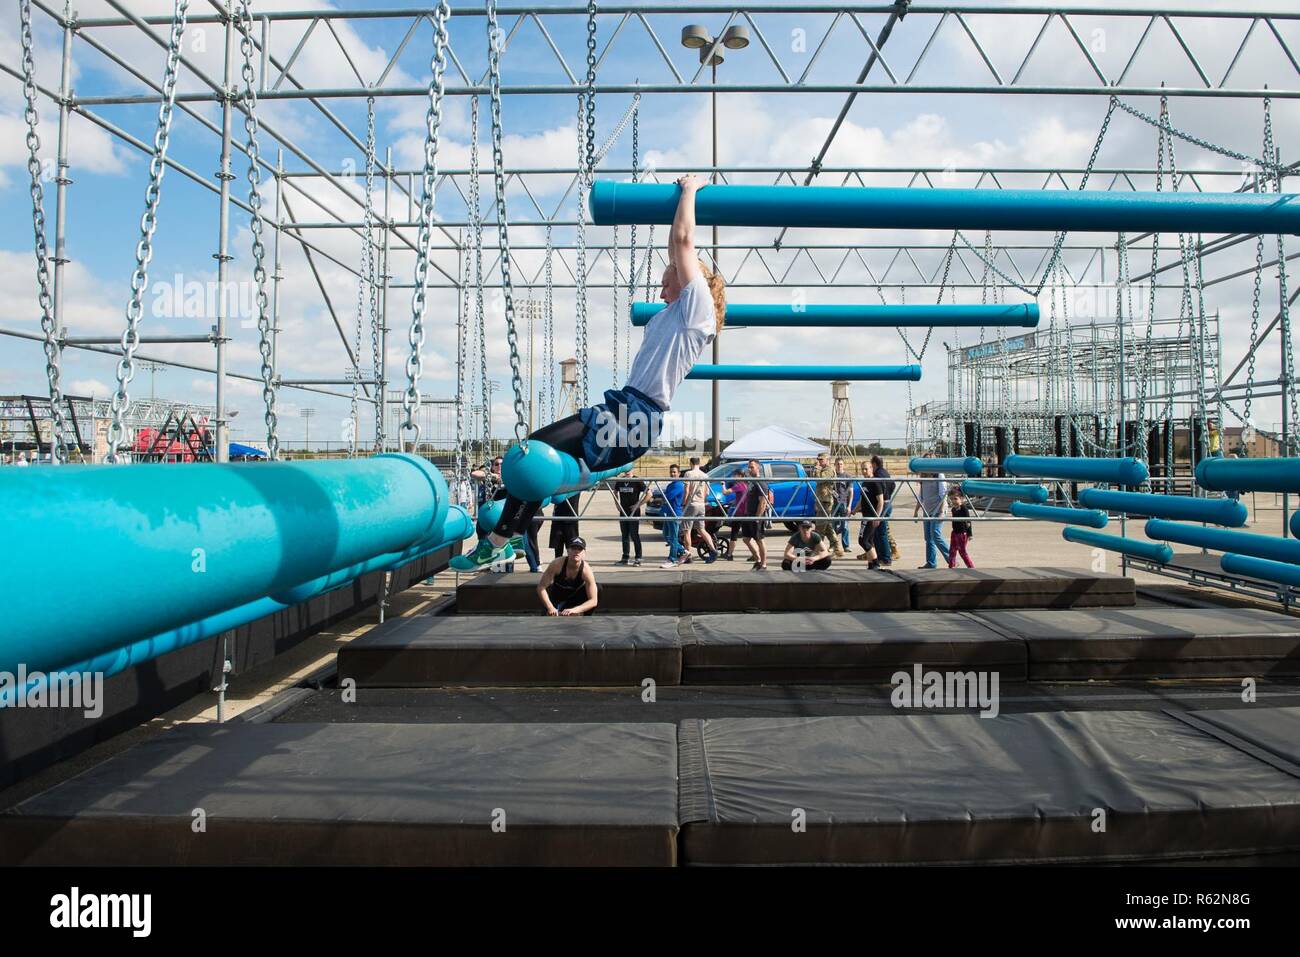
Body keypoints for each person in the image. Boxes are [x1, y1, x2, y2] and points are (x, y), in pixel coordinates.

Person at [454, 174, 726, 570]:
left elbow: (683, 242)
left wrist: (688, 191)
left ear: (690, 279)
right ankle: (503, 540)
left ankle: (500, 540)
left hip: (635, 414)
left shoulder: (695, 311)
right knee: (534, 457)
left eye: (672, 271)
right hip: (626, 410)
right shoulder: (674, 314)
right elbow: (675, 244)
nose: (664, 275)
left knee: (531, 451)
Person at [538, 536, 598, 616]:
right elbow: (541, 587)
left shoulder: (586, 570)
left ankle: (584, 615)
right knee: (549, 614)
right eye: (573, 548)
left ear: (584, 553)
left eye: (579, 549)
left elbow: (593, 600)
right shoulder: (557, 564)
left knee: (598, 588)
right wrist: (550, 607)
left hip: (574, 599)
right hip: (557, 597)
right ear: (568, 550)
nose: (576, 552)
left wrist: (577, 609)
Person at [681, 455, 719, 563]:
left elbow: (687, 490)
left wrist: (684, 503)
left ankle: (688, 556)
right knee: (701, 529)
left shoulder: (688, 474)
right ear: (699, 463)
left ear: (691, 463)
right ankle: (713, 549)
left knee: (687, 530)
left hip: (691, 504)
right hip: (701, 504)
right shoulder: (705, 475)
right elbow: (707, 492)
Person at [913, 462, 950, 569]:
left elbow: (943, 494)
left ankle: (951, 559)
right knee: (928, 538)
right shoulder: (923, 476)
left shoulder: (939, 475)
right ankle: (931, 563)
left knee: (935, 535)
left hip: (938, 510)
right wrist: (916, 511)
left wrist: (942, 512)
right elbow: (921, 496)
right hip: (927, 510)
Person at [811, 451, 844, 559]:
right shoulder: (822, 470)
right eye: (818, 459)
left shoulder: (829, 470)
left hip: (826, 502)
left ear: (827, 460)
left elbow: (819, 480)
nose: (819, 461)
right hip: (821, 501)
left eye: (821, 459)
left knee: (820, 527)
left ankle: (817, 550)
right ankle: (838, 548)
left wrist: (816, 469)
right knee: (828, 527)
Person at [612, 469, 648, 565]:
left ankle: (638, 558)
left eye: (629, 469)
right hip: (623, 512)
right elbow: (615, 492)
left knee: (634, 535)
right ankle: (625, 558)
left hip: (633, 513)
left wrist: (638, 504)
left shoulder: (637, 481)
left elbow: (649, 494)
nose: (627, 471)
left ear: (633, 469)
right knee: (624, 535)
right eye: (626, 469)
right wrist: (617, 504)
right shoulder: (620, 481)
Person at [739, 459, 770, 570]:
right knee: (746, 539)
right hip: (748, 514)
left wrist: (757, 517)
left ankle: (764, 564)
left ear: (758, 468)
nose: (749, 469)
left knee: (759, 540)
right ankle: (757, 559)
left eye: (751, 467)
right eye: (749, 467)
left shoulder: (760, 482)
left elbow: (763, 501)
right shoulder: (751, 481)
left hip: (756, 516)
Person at [870, 454, 896, 567]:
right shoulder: (885, 472)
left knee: (881, 533)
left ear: (874, 464)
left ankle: (886, 557)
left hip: (883, 505)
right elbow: (893, 485)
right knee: (878, 532)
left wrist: (884, 496)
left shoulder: (877, 474)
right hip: (887, 503)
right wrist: (888, 495)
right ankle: (881, 556)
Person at [855, 460, 881, 567]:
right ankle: (871, 564)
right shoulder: (864, 482)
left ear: (871, 469)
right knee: (869, 541)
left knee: (862, 541)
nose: (864, 471)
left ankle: (875, 563)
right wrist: (854, 510)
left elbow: (881, 501)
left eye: (866, 469)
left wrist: (877, 517)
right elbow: (862, 499)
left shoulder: (875, 482)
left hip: (871, 516)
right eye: (862, 469)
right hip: (865, 515)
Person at [660, 463, 687, 568]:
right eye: (671, 472)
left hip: (675, 513)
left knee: (673, 537)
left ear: (679, 473)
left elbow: (668, 497)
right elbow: (665, 499)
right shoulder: (670, 485)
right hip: (668, 513)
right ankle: (683, 551)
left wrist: (664, 498)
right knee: (666, 535)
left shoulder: (679, 485)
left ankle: (672, 559)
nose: (672, 474)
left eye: (674, 472)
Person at [947, 488, 975, 569]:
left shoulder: (964, 509)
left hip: (962, 533)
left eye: (955, 499)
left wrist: (970, 534)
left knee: (962, 552)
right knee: (952, 550)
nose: (953, 501)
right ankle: (951, 566)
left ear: (961, 499)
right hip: (954, 532)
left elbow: (968, 522)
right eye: (951, 499)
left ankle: (971, 567)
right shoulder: (953, 509)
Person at [832, 457, 854, 553]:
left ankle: (846, 546)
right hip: (834, 504)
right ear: (834, 465)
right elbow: (828, 488)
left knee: (844, 525)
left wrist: (849, 506)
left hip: (844, 504)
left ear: (843, 465)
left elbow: (851, 492)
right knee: (833, 525)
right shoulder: (832, 476)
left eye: (841, 464)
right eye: (837, 464)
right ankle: (833, 545)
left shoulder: (847, 476)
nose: (839, 465)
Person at [549, 494, 580, 558]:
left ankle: (570, 564)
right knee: (558, 547)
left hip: (570, 518)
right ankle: (558, 565)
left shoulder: (575, 486)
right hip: (558, 517)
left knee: (571, 546)